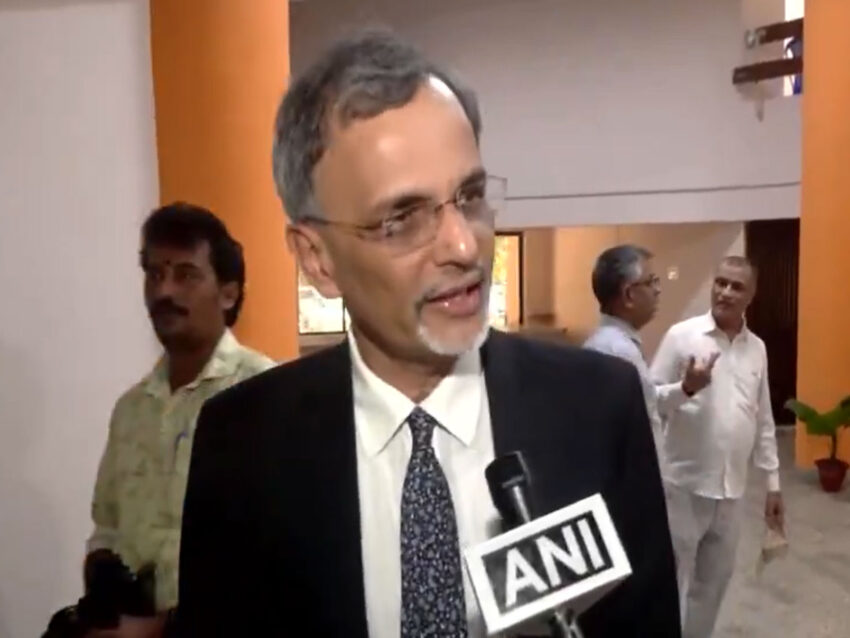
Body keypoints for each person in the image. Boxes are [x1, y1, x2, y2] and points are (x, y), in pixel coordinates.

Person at [176, 30, 680, 637]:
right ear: (317, 259)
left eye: (469, 196)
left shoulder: (600, 407)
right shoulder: (242, 444)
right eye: (401, 219)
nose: (465, 246)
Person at [83, 203, 274, 636]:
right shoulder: (131, 410)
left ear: (228, 293)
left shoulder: (265, 393)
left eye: (186, 275)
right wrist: (102, 581)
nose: (164, 291)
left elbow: (282, 554)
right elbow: (107, 527)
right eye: (154, 274)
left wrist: (161, 628)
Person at [650, 256, 784, 638]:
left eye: (736, 286)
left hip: (731, 493)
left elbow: (763, 418)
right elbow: (650, 401)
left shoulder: (757, 348)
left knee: (712, 587)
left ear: (752, 295)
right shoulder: (682, 336)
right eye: (720, 282)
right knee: (670, 584)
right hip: (683, 487)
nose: (725, 292)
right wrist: (686, 388)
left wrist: (773, 483)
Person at [584, 245, 716, 468]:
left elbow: (649, 402)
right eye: (651, 281)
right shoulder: (617, 353)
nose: (658, 290)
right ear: (629, 295)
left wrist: (686, 388)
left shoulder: (613, 344)